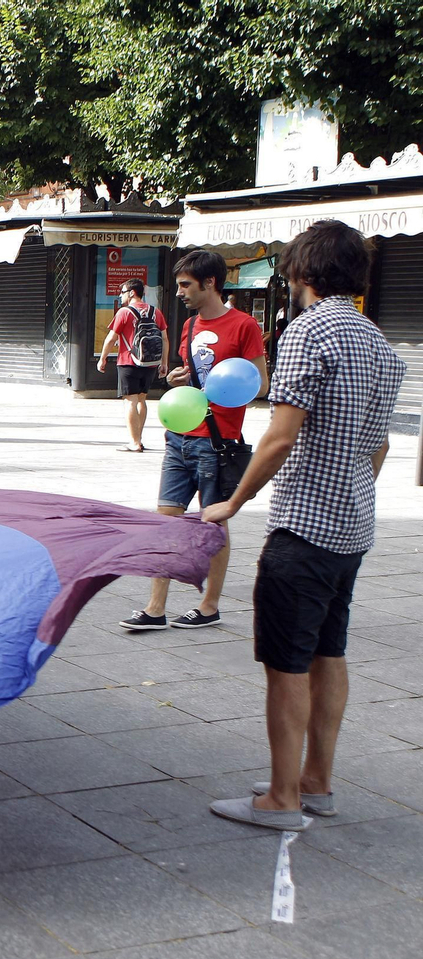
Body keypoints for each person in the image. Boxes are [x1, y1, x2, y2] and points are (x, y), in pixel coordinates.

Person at [200, 221, 406, 830]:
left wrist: (231, 503)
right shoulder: (378, 341)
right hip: (353, 527)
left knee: (286, 662)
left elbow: (280, 437)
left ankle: (283, 798)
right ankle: (317, 780)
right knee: (328, 650)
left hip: (304, 527)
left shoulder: (309, 331)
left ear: (301, 271)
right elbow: (379, 448)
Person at [121, 250, 268, 632]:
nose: (181, 292)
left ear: (210, 283)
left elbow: (260, 383)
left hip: (218, 443)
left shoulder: (244, 325)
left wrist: (228, 388)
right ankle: (155, 608)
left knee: (213, 524)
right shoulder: (188, 327)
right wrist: (177, 379)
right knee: (165, 521)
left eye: (186, 285)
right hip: (180, 438)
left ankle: (209, 605)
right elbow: (194, 379)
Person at [98, 278, 169, 453]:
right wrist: (164, 363)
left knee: (130, 401)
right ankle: (139, 438)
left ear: (131, 293)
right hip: (150, 362)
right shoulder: (155, 312)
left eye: (122, 292)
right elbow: (165, 338)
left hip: (128, 361)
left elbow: (111, 338)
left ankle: (134, 442)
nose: (120, 296)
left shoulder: (124, 312)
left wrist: (103, 357)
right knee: (142, 400)